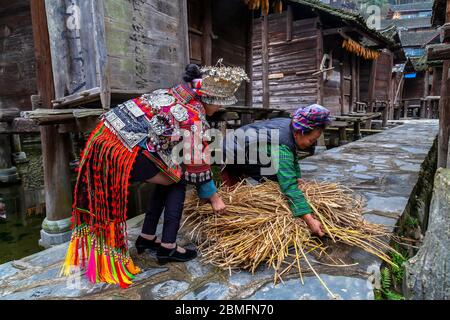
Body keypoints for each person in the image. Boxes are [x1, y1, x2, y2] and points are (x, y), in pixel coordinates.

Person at [61, 62, 248, 288]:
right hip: (119, 151)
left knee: (171, 172)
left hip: (102, 140)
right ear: (209, 99)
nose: (219, 109)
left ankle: (148, 237)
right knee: (178, 179)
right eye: (219, 105)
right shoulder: (192, 116)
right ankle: (168, 246)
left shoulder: (173, 93)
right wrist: (215, 199)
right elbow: (197, 162)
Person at [220, 104, 332, 237]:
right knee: (277, 179)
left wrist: (298, 177)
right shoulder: (281, 146)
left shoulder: (291, 125)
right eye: (311, 140)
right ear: (299, 133)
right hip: (230, 152)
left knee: (283, 174)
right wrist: (309, 220)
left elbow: (293, 155)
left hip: (239, 144)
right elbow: (289, 185)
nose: (312, 143)